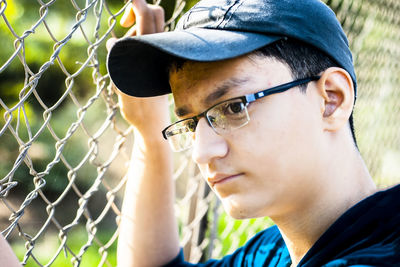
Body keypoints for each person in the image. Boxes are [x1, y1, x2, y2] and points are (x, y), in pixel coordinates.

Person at [107, 0, 400, 266]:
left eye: (233, 108)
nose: (201, 152)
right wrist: (148, 132)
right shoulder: (275, 251)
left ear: (331, 100)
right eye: (193, 123)